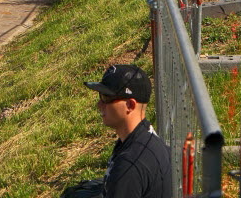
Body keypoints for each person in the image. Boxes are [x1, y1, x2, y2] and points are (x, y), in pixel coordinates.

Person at [67, 64, 178, 198]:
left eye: (106, 98)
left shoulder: (130, 165)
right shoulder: (145, 137)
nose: (99, 104)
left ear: (130, 105)